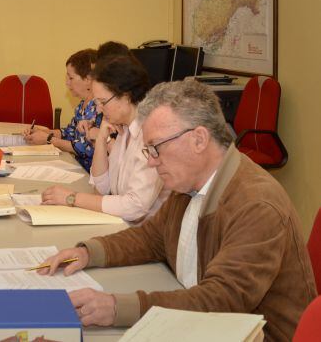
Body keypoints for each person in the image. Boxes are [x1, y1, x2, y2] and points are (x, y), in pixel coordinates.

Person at [40, 80, 317, 341]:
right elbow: (151, 238)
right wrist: (88, 252)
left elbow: (220, 301)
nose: (151, 162)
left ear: (198, 140)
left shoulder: (256, 204)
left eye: (156, 148)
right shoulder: (188, 183)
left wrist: (116, 307)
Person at [41, 55, 168, 223]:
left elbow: (135, 207)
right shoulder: (124, 130)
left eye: (102, 102)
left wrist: (72, 198)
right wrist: (101, 138)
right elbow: (101, 187)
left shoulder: (151, 136)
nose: (99, 110)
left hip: (143, 236)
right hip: (121, 225)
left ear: (126, 96)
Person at [23, 49, 100, 171]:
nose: (67, 83)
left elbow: (85, 148)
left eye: (71, 78)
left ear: (88, 80)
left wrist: (48, 140)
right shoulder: (82, 106)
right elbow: (69, 133)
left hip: (90, 175)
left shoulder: (99, 108)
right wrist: (46, 132)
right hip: (78, 167)